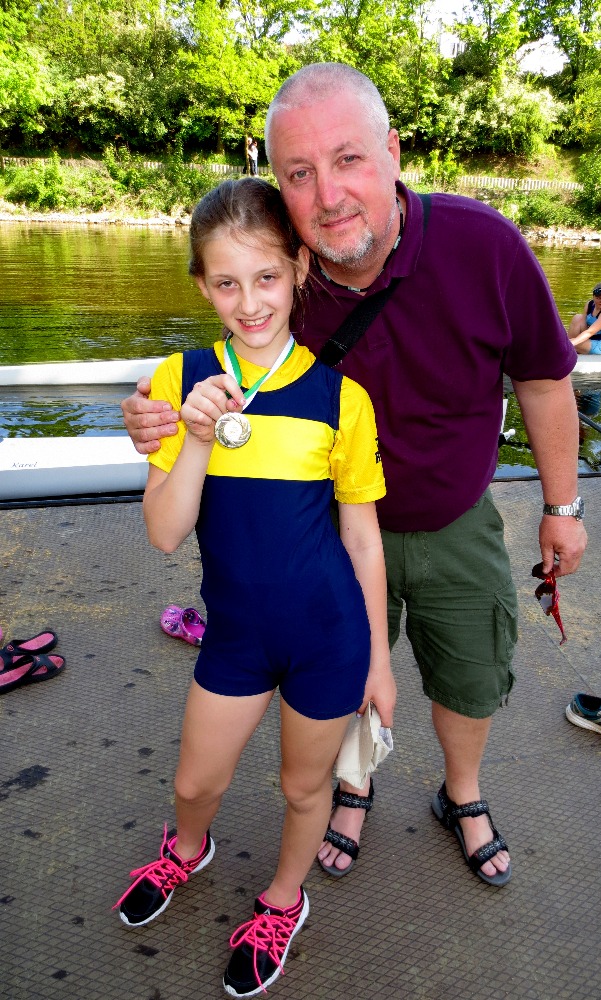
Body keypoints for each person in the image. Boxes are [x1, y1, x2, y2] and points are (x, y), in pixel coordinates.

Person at [121, 62, 587, 887]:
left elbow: (545, 380)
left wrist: (562, 506)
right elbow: (216, 363)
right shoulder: (279, 269)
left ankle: (462, 793)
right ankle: (351, 785)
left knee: (472, 671)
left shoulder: (484, 244)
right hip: (321, 531)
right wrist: (153, 418)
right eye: (299, 173)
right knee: (337, 673)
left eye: (347, 160)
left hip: (451, 517)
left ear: (392, 152)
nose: (328, 195)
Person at [114, 177, 395, 997]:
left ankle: (282, 900)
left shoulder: (341, 399)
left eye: (266, 277)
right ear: (201, 285)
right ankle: (186, 850)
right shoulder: (178, 380)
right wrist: (198, 435)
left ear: (300, 269)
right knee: (193, 783)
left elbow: (360, 538)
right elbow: (165, 533)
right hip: (235, 637)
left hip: (328, 636)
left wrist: (378, 661)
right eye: (226, 282)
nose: (249, 302)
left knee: (303, 788)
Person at [568, 282, 601, 354]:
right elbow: (583, 324)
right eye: (599, 298)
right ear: (593, 297)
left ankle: (569, 348)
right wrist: (571, 340)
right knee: (577, 317)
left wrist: (571, 342)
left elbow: (590, 332)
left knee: (568, 344)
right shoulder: (589, 304)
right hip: (590, 338)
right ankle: (571, 349)